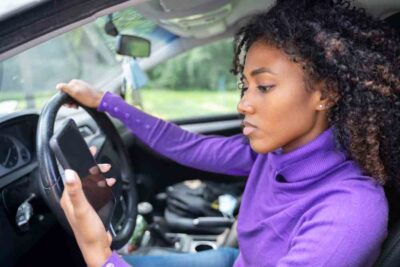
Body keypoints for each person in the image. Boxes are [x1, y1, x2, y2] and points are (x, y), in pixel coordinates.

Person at [56, 0, 400, 266]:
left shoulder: (351, 212)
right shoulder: (273, 153)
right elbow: (186, 145)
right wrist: (105, 101)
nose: (243, 104)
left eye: (264, 86)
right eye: (245, 86)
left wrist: (99, 253)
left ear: (325, 94)